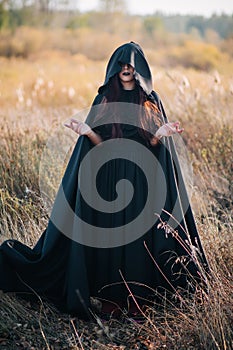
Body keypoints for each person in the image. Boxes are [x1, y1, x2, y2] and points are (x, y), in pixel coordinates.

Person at [0, 42, 208, 319]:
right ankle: (112, 299)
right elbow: (98, 145)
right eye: (121, 64)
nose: (126, 69)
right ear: (114, 68)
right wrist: (87, 132)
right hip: (107, 178)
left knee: (138, 241)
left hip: (141, 178)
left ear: (140, 70)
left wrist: (161, 132)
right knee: (109, 239)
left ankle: (137, 300)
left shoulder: (151, 100)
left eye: (131, 65)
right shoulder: (105, 99)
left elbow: (152, 144)